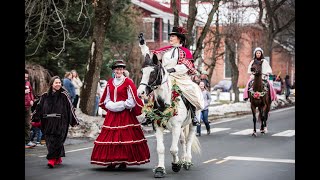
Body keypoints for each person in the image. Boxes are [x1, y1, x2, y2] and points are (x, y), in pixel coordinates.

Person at [91, 60, 150, 169]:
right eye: (117, 69)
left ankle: (123, 161)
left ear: (123, 70)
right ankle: (112, 161)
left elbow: (131, 101)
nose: (119, 71)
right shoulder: (110, 82)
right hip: (112, 115)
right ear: (114, 70)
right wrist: (111, 106)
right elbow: (106, 98)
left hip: (125, 114)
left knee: (124, 138)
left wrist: (119, 105)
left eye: (121, 69)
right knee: (111, 138)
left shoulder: (128, 82)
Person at [139, 26, 204, 126]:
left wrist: (173, 69)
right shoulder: (165, 50)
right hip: (165, 77)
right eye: (170, 36)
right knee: (152, 90)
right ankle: (149, 115)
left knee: (190, 90)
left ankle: (193, 115)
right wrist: (143, 45)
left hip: (180, 77)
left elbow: (187, 66)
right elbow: (150, 56)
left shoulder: (185, 52)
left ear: (179, 38)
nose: (170, 38)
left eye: (173, 36)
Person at [31, 76, 79, 168]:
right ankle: (57, 157)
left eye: (59, 83)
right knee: (49, 141)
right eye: (56, 83)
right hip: (47, 122)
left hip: (61, 122)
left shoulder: (64, 95)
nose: (58, 84)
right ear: (51, 84)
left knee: (58, 141)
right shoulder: (44, 96)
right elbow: (39, 108)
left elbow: (70, 108)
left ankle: (51, 160)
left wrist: (74, 121)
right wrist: (35, 118)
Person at [25, 69, 36, 148]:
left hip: (28, 107)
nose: (26, 78)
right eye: (24, 77)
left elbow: (31, 92)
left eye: (27, 77)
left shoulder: (28, 83)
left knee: (28, 124)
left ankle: (27, 141)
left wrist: (32, 100)